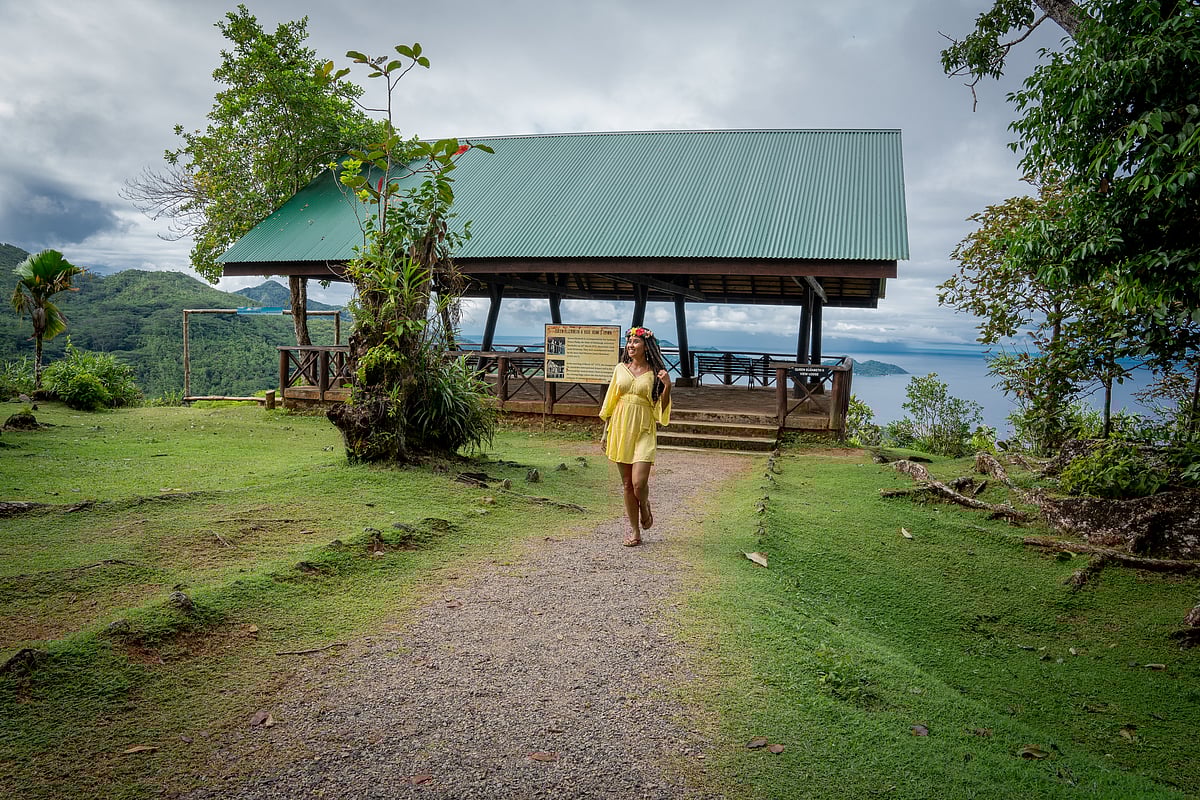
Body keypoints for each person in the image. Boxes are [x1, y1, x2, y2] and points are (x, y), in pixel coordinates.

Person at [599, 326, 672, 547]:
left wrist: (668, 385)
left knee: (639, 483)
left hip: (643, 428)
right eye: (629, 342)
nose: (631, 345)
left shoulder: (655, 372)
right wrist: (605, 433)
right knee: (626, 484)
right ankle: (634, 530)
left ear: (646, 346)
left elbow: (662, 406)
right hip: (620, 427)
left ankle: (645, 503)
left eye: (636, 342)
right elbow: (610, 401)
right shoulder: (620, 368)